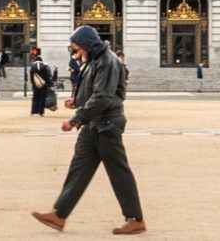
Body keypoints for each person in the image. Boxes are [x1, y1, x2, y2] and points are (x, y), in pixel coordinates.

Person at [31, 25, 144, 235]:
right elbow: (94, 91)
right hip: (95, 123)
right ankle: (59, 215)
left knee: (119, 172)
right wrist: (78, 101)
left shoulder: (108, 61)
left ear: (88, 45)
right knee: (78, 170)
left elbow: (103, 96)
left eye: (78, 48)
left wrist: (76, 119)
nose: (77, 53)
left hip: (107, 124)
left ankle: (135, 219)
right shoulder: (95, 60)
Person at [30, 52, 55, 117]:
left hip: (35, 85)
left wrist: (33, 83)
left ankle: (33, 111)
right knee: (42, 98)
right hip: (43, 85)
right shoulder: (44, 66)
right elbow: (47, 76)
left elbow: (31, 77)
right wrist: (50, 85)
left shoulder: (33, 66)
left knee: (35, 98)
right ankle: (40, 112)